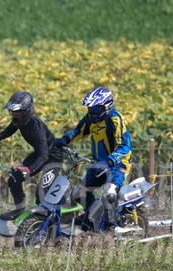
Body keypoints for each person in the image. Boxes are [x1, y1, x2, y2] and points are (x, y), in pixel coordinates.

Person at [52, 87, 132, 232]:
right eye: (90, 108)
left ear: (106, 106)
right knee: (78, 194)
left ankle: (110, 229)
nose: (92, 112)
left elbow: (124, 146)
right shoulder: (90, 119)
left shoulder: (115, 119)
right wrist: (63, 140)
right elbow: (77, 132)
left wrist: (112, 159)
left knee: (109, 194)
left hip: (117, 164)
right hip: (99, 164)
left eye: (96, 109)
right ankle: (92, 216)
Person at [0, 91, 64, 220]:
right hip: (39, 154)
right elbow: (8, 131)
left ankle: (44, 223)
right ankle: (19, 210)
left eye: (18, 112)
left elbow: (44, 155)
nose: (14, 115)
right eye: (12, 111)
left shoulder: (36, 127)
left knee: (41, 192)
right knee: (13, 180)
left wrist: (28, 170)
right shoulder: (20, 121)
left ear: (27, 111)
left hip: (52, 158)